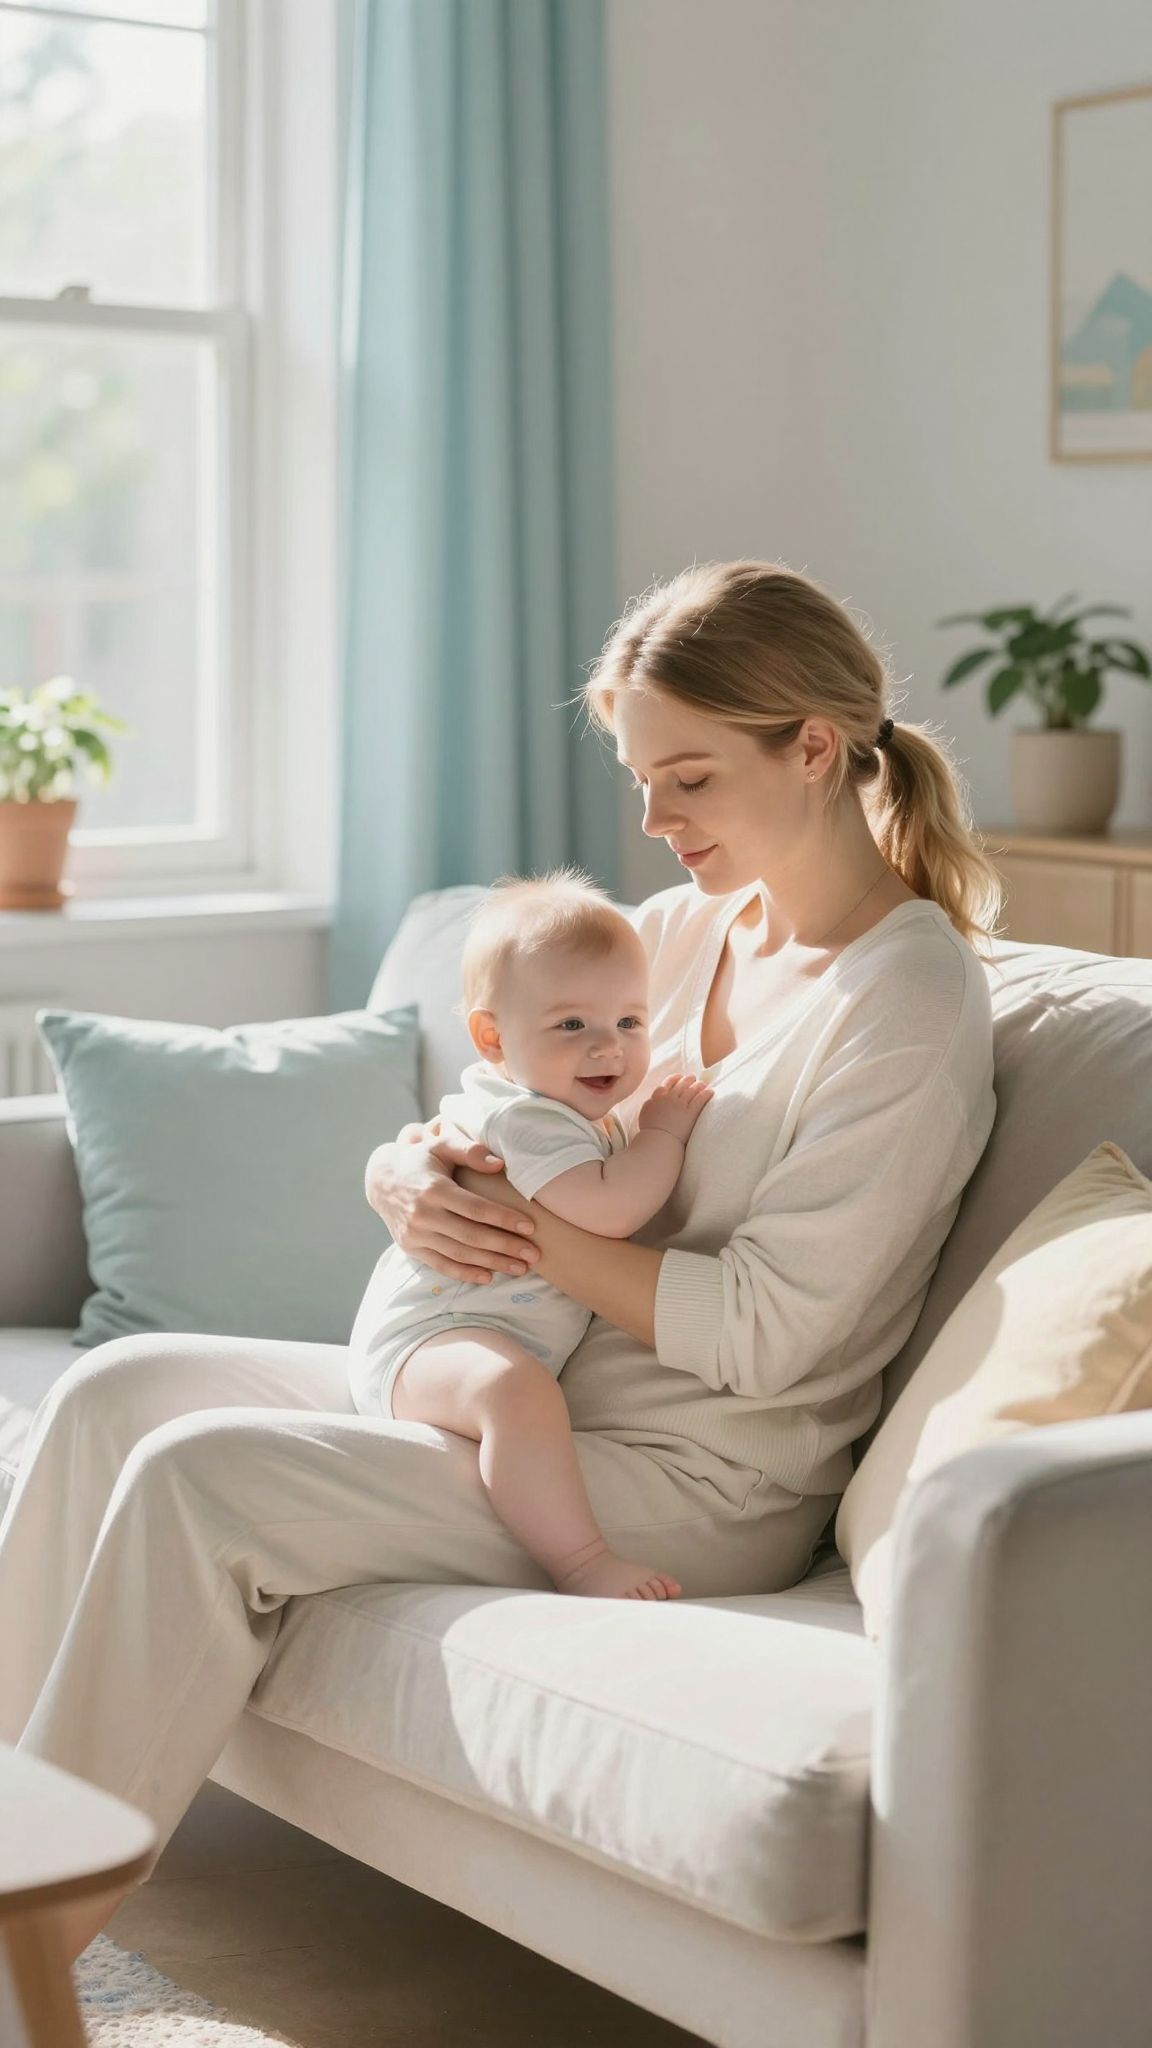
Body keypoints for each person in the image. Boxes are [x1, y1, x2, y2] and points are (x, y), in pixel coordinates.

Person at [0, 559, 1001, 1962]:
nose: (652, 821)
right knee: (123, 1390)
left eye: (690, 778)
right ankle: (14, 1823)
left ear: (816, 748)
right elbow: (512, 1113)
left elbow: (778, 1337)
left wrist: (528, 1232)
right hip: (531, 1382)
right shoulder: (686, 929)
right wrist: (404, 1172)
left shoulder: (908, 997)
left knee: (198, 1475)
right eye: (641, 777)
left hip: (694, 1479)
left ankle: (26, 1949)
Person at [349, 870, 712, 1599]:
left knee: (521, 1390)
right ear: (492, 1037)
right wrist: (663, 1135)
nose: (608, 1049)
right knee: (516, 1393)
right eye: (572, 1026)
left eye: (630, 1023)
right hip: (433, 1339)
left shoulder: (564, 1110)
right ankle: (581, 1562)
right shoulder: (528, 1118)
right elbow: (610, 1212)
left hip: (449, 1333)